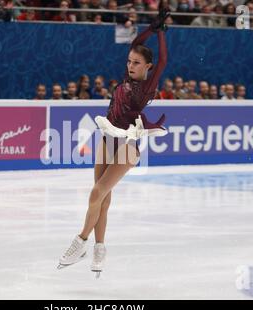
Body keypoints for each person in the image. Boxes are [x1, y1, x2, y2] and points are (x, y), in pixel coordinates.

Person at [57, 3, 171, 277]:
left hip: (127, 147)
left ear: (148, 67)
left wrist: (162, 34)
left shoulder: (147, 85)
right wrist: (150, 28)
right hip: (107, 139)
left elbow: (164, 60)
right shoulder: (126, 77)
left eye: (136, 63)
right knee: (103, 199)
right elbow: (136, 41)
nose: (131, 66)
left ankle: (81, 241)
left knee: (96, 193)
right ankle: (99, 249)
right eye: (129, 61)